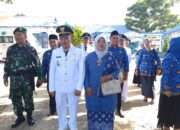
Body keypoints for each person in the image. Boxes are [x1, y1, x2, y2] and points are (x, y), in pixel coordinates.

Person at [3, 27, 43, 128]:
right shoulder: (11, 49)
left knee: (28, 99)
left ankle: (29, 117)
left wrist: (40, 77)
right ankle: (20, 117)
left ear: (25, 36)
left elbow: (37, 63)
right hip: (14, 79)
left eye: (20, 35)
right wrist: (5, 75)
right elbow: (8, 63)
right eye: (16, 35)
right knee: (15, 100)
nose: (18, 37)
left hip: (27, 79)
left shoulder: (31, 49)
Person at [49, 25, 84, 130]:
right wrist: (51, 88)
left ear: (71, 37)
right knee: (60, 109)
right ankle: (62, 126)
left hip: (73, 87)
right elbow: (52, 71)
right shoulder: (55, 52)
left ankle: (73, 126)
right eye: (62, 37)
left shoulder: (78, 52)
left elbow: (82, 71)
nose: (64, 40)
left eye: (66, 37)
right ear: (59, 39)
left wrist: (79, 87)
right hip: (59, 87)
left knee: (73, 109)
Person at [84, 35, 119, 130]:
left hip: (108, 93)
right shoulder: (89, 57)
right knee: (93, 119)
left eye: (103, 41)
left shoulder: (111, 56)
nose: (101, 43)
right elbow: (85, 74)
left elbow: (118, 71)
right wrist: (87, 87)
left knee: (107, 120)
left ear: (106, 43)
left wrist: (109, 76)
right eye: (99, 41)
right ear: (95, 43)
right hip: (92, 93)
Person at [157, 37, 180, 130]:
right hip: (169, 93)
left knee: (176, 118)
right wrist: (167, 89)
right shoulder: (169, 57)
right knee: (168, 118)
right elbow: (166, 74)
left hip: (177, 92)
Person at [108, 31, 129, 118]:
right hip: (108, 75)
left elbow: (126, 62)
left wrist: (126, 73)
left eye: (117, 38)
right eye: (114, 38)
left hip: (119, 75)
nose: (116, 40)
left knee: (118, 93)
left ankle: (118, 111)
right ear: (110, 39)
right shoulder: (106, 49)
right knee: (109, 93)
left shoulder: (122, 50)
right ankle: (110, 111)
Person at [136, 39, 161, 104]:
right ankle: (145, 97)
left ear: (150, 43)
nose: (146, 44)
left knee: (150, 85)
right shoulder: (142, 51)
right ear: (143, 44)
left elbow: (158, 60)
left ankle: (152, 98)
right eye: (145, 43)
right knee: (144, 85)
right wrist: (137, 69)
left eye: (147, 43)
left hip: (151, 71)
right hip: (142, 71)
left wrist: (159, 68)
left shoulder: (153, 51)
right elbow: (138, 61)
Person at [42, 34, 58, 116]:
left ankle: (61, 110)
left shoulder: (62, 52)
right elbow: (43, 67)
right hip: (50, 79)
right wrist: (42, 77)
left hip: (60, 79)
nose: (52, 44)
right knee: (51, 96)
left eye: (54, 42)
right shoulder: (46, 54)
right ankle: (52, 111)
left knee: (60, 96)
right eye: (51, 42)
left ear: (57, 41)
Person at [121, 35, 132, 102]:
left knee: (125, 83)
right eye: (120, 40)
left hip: (125, 69)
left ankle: (124, 96)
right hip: (117, 70)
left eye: (123, 40)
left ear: (125, 41)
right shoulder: (117, 49)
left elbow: (129, 60)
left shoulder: (128, 50)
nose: (121, 42)